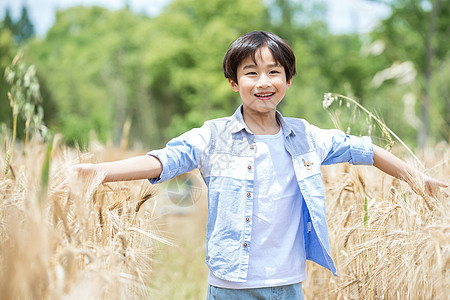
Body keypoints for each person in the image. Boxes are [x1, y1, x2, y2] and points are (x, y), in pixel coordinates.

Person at [69, 31, 448, 299]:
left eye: (274, 72)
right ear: (234, 82)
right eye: (251, 72)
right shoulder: (213, 136)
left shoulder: (306, 137)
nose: (263, 81)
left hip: (287, 285)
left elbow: (364, 150)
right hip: (231, 286)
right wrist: (98, 172)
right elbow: (161, 161)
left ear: (288, 80)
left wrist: (419, 179)